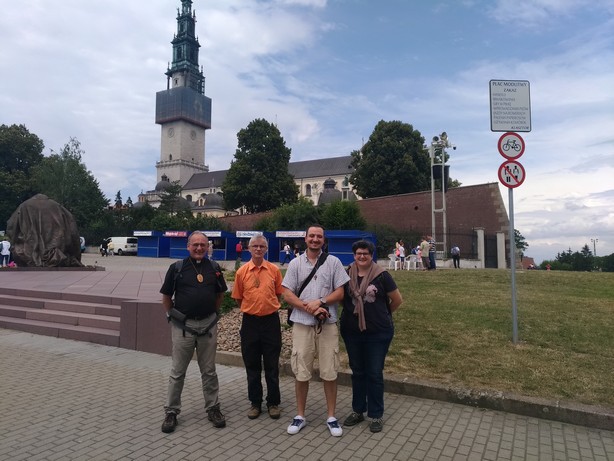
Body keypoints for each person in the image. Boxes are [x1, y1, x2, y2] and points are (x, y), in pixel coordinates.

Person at [282, 225, 350, 437]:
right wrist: (307, 306)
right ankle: (300, 415)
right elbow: (287, 293)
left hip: (327, 324)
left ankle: (331, 416)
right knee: (301, 370)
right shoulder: (295, 263)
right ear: (305, 238)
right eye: (311, 236)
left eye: (319, 236)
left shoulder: (333, 262)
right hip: (302, 323)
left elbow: (340, 292)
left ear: (323, 239)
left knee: (330, 370)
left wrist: (320, 301)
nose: (315, 239)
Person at [159, 231, 228, 433]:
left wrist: (213, 314)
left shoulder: (214, 268)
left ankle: (213, 408)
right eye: (195, 245)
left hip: (207, 326)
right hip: (183, 328)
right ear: (188, 246)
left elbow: (220, 294)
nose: (199, 248)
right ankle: (171, 412)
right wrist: (171, 315)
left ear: (208, 247)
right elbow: (166, 296)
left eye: (203, 245)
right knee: (178, 372)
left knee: (209, 371)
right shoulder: (176, 268)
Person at [340, 240, 403, 433]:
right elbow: (343, 300)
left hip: (378, 333)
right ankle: (358, 410)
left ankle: (376, 414)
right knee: (358, 372)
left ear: (371, 255)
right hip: (352, 332)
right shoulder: (346, 273)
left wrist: (381, 315)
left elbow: (397, 300)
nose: (361, 256)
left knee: (374, 373)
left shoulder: (382, 276)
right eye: (358, 253)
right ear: (354, 255)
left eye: (365, 253)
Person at [231, 235, 284, 420]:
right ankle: (255, 403)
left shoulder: (274, 270)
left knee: (272, 365)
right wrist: (252, 309)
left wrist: (266, 307)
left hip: (271, 322)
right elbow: (238, 297)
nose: (259, 249)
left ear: (266, 249)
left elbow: (278, 294)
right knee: (252, 365)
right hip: (250, 323)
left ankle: (273, 403)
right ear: (249, 248)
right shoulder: (242, 272)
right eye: (255, 246)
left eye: (262, 246)